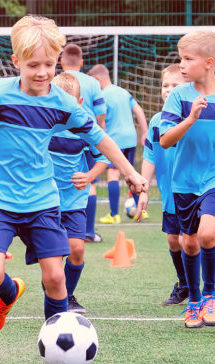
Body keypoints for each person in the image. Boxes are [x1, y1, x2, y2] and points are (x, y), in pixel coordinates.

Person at [0, 15, 147, 364]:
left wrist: (131, 171)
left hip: (43, 200)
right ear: (16, 62)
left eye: (49, 64)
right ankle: (9, 292)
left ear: (58, 60)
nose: (43, 72)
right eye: (33, 65)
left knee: (56, 277)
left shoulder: (62, 102)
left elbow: (99, 138)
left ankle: (60, 362)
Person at [159, 31, 215, 328]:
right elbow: (166, 140)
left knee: (208, 235)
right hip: (184, 180)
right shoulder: (179, 97)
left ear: (208, 63)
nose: (181, 65)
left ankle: (210, 295)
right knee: (190, 243)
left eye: (187, 59)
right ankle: (193, 301)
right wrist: (191, 117)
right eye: (180, 58)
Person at [135, 64, 215, 307]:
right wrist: (143, 188)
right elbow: (150, 156)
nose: (169, 90)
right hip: (172, 193)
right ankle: (185, 284)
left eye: (175, 86)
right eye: (165, 86)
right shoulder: (159, 121)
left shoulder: (200, 120)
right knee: (173, 240)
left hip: (200, 190)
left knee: (190, 240)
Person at [46, 72, 109, 314]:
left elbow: (104, 157)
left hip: (74, 200)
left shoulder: (84, 128)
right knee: (52, 256)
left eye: (68, 103)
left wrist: (90, 176)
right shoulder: (43, 128)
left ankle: (68, 296)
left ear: (79, 103)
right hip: (46, 201)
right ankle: (55, 291)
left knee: (77, 248)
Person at [88, 64, 149, 224]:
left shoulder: (101, 95)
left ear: (96, 79)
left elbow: (100, 121)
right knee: (131, 174)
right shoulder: (123, 92)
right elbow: (139, 111)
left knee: (113, 175)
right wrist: (145, 132)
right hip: (130, 138)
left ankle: (114, 214)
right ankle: (142, 210)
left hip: (116, 140)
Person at [59, 44, 107, 243]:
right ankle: (88, 231)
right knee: (88, 183)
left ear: (61, 62)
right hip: (89, 137)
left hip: (74, 139)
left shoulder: (54, 83)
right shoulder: (93, 83)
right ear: (81, 62)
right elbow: (101, 115)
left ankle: (69, 229)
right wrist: (100, 134)